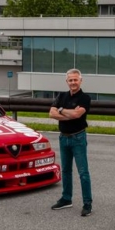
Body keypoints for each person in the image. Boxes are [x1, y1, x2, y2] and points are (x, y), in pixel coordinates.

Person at [49, 68, 93, 216]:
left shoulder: (85, 98)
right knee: (66, 170)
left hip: (78, 138)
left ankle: (87, 203)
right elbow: (51, 113)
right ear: (66, 81)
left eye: (75, 79)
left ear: (81, 80)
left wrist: (61, 111)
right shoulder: (61, 96)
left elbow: (77, 114)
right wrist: (68, 113)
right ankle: (66, 199)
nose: (73, 82)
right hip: (63, 137)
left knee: (83, 172)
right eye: (70, 80)